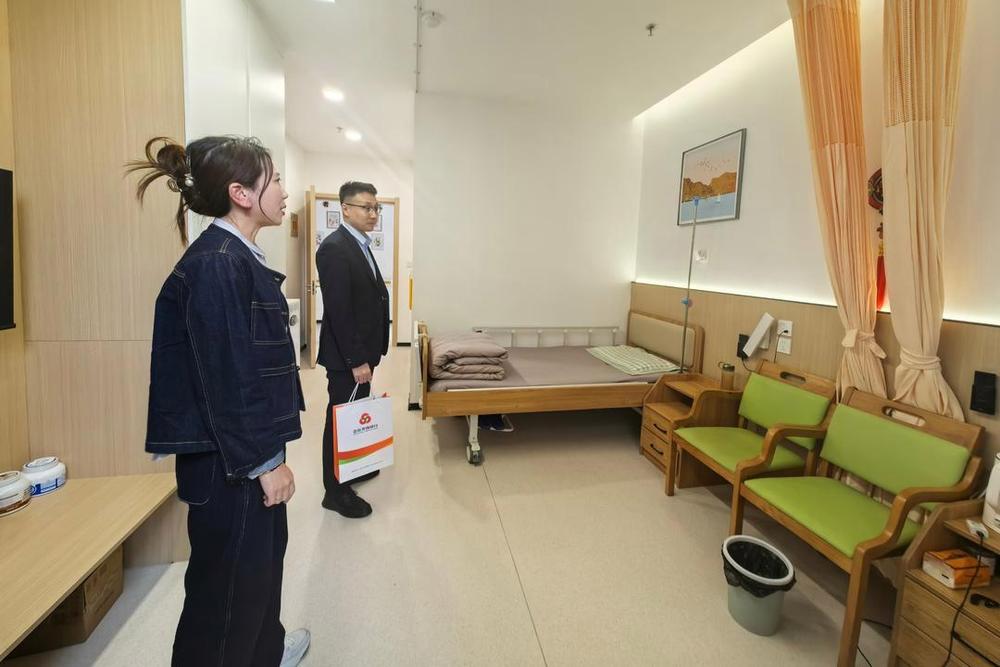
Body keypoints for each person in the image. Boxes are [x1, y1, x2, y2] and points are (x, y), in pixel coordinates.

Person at [128, 135, 310, 666]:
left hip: (245, 450)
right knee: (226, 595)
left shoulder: (236, 255)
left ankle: (265, 653)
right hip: (231, 462)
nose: (283, 190)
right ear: (241, 193)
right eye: (275, 179)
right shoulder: (217, 263)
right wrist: (264, 463)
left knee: (260, 571)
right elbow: (227, 377)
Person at [316, 181, 390, 518]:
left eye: (376, 208)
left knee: (353, 414)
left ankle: (353, 468)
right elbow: (339, 311)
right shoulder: (335, 248)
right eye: (366, 207)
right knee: (340, 420)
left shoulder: (359, 243)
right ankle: (335, 492)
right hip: (348, 358)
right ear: (345, 209)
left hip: (363, 353)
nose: (373, 214)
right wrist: (356, 360)